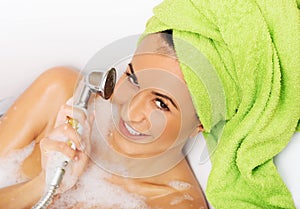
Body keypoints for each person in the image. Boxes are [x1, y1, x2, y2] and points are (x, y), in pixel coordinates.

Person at [0, 31, 209, 208]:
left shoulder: (176, 203)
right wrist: (43, 185)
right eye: (133, 79)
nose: (129, 113)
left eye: (161, 104)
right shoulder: (60, 94)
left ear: (200, 124)